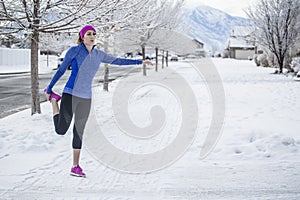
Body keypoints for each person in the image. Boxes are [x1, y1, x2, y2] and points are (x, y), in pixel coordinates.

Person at [44, 24, 152, 178]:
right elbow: (61, 70)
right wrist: (49, 89)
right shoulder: (74, 51)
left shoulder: (99, 54)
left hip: (86, 98)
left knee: (79, 132)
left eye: (94, 33)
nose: (92, 36)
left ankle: (75, 166)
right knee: (61, 130)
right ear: (82, 37)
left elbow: (118, 61)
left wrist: (140, 62)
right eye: (88, 33)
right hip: (70, 94)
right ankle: (55, 102)